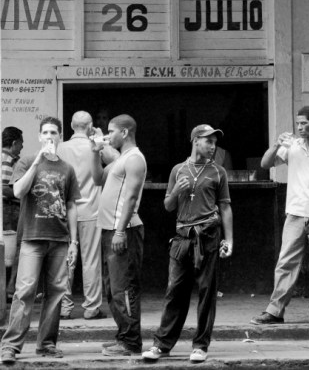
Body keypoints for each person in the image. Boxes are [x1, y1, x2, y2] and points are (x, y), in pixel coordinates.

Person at [142, 124, 233, 363]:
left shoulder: (218, 172)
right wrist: (176, 192)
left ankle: (200, 346)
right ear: (195, 141)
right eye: (208, 141)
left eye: (215, 142)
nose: (213, 147)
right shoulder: (178, 170)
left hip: (208, 236)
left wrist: (229, 239)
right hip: (182, 237)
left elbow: (225, 206)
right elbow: (168, 206)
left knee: (206, 292)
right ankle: (162, 345)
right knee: (175, 292)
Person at [0, 117, 81, 364]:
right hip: (32, 238)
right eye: (45, 132)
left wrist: (74, 242)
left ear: (59, 136)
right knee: (24, 291)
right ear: (39, 136)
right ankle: (10, 346)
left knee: (56, 293)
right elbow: (17, 191)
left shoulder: (67, 168)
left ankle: (46, 344)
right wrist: (37, 161)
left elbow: (70, 205)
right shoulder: (25, 161)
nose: (49, 136)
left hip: (59, 239)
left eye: (53, 132)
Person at [251, 106, 309, 328]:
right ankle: (275, 310)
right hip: (295, 213)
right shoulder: (293, 146)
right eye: (297, 123)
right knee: (285, 262)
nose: (300, 127)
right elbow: (265, 164)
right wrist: (277, 144)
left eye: (304, 123)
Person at [90, 114, 147, 356]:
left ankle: (131, 342)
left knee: (124, 288)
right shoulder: (119, 160)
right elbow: (96, 178)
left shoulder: (135, 159)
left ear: (124, 132)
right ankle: (123, 336)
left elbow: (132, 198)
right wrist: (95, 151)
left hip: (123, 231)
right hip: (109, 230)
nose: (107, 135)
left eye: (111, 131)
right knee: (112, 289)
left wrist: (121, 231)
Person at [57, 111, 115, 319]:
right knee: (91, 260)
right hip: (92, 209)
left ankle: (64, 307)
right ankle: (91, 308)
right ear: (90, 126)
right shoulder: (95, 146)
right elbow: (115, 160)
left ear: (71, 125)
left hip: (65, 210)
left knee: (66, 259)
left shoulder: (60, 147)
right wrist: (101, 140)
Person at [2, 127, 23, 302]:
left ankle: (8, 289)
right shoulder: (7, 159)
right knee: (12, 250)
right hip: (9, 208)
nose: (22, 147)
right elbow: (3, 188)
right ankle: (8, 290)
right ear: (15, 143)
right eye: (21, 143)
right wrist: (22, 192)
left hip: (9, 208)